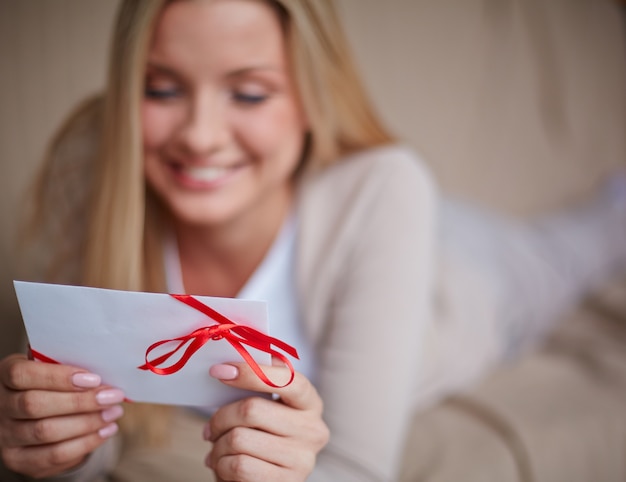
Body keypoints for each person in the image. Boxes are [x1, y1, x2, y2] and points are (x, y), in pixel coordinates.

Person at [1, 0, 625, 481]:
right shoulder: (95, 162)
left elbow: (356, 466)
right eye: (162, 87)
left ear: (309, 100)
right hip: (386, 227)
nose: (200, 135)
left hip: (466, 281)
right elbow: (87, 433)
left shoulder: (386, 188)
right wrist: (56, 449)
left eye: (248, 92)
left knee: (586, 241)